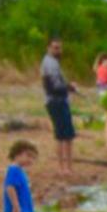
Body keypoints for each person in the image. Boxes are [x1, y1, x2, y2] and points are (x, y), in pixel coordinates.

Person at [39, 36, 77, 174]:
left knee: (68, 135)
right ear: (48, 48)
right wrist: (69, 87)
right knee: (61, 136)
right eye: (55, 48)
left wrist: (68, 87)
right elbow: (53, 87)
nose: (58, 50)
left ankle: (68, 167)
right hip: (55, 101)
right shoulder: (50, 63)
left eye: (60, 48)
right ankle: (62, 168)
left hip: (60, 101)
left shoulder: (53, 62)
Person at [1, 139, 36, 212]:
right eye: (28, 156)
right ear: (17, 154)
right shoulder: (14, 170)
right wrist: (16, 207)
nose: (30, 160)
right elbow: (10, 187)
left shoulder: (19, 170)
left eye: (33, 158)